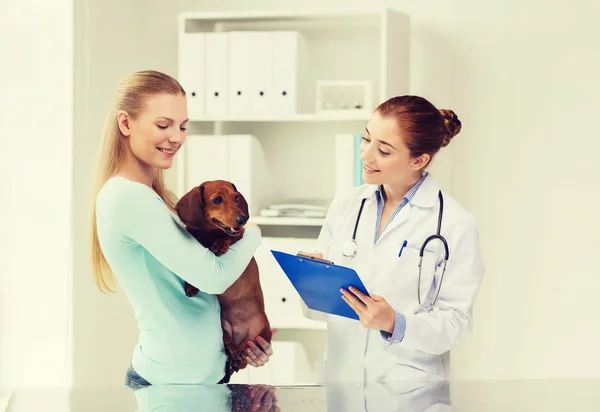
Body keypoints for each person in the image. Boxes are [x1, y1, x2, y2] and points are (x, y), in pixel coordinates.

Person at [89, 70, 274, 388]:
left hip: (200, 377)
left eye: (182, 126)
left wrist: (241, 338)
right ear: (126, 123)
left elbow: (191, 295)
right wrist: (253, 232)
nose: (176, 137)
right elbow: (212, 277)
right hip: (172, 383)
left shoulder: (156, 198)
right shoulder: (127, 197)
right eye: (163, 125)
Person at [301, 95, 485, 383]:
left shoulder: (454, 222)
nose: (365, 155)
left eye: (383, 151)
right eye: (366, 139)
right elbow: (322, 310)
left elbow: (457, 322)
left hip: (409, 390)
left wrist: (394, 323)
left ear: (419, 160)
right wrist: (312, 283)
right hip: (343, 384)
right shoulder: (346, 206)